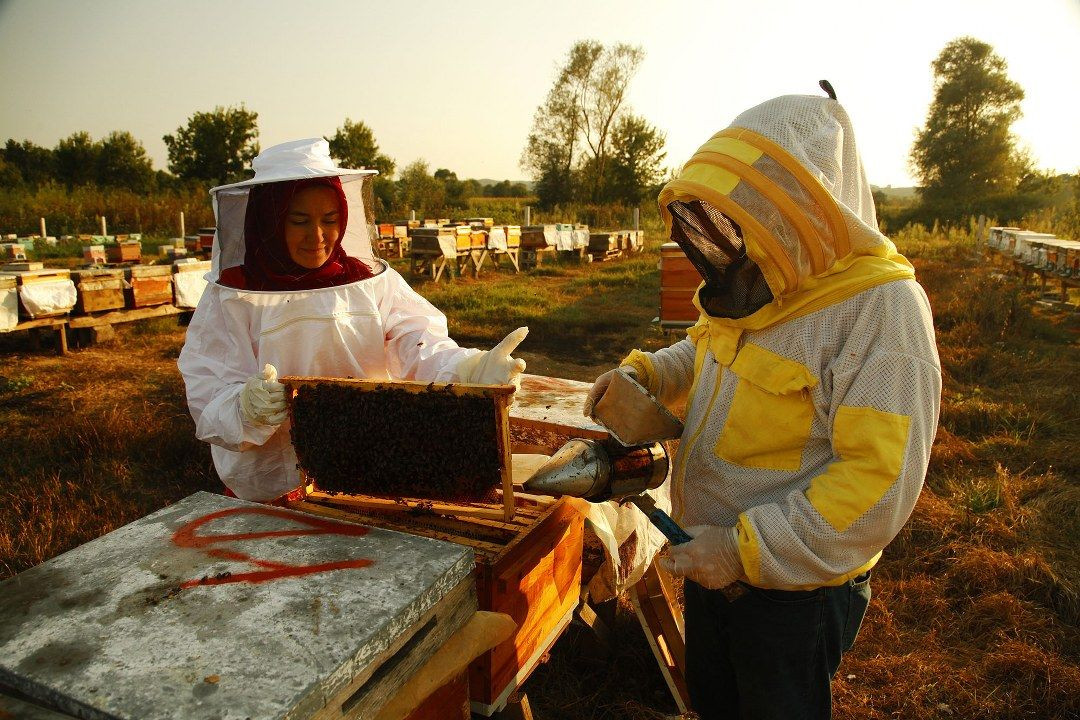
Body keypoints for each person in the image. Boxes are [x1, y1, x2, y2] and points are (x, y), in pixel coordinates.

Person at [583, 86, 941, 719]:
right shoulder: (760, 284)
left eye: (763, 202)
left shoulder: (880, 313)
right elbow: (704, 350)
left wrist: (744, 551)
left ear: (814, 200)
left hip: (791, 596)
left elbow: (877, 484)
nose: (746, 222)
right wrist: (644, 376)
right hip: (712, 565)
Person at [178, 138, 527, 502]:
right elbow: (206, 391)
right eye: (299, 221)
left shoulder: (368, 281)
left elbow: (419, 342)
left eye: (330, 220)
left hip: (365, 473)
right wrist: (244, 407)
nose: (318, 237)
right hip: (269, 487)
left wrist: (468, 369)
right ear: (269, 221)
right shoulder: (232, 295)